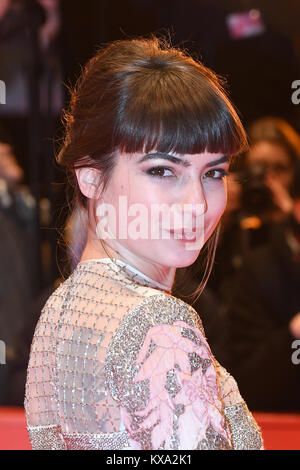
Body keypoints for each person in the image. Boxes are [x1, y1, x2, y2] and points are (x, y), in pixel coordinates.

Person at [24, 37, 263, 450]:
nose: (197, 203)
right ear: (91, 176)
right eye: (162, 171)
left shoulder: (59, 310)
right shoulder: (158, 324)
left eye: (213, 173)